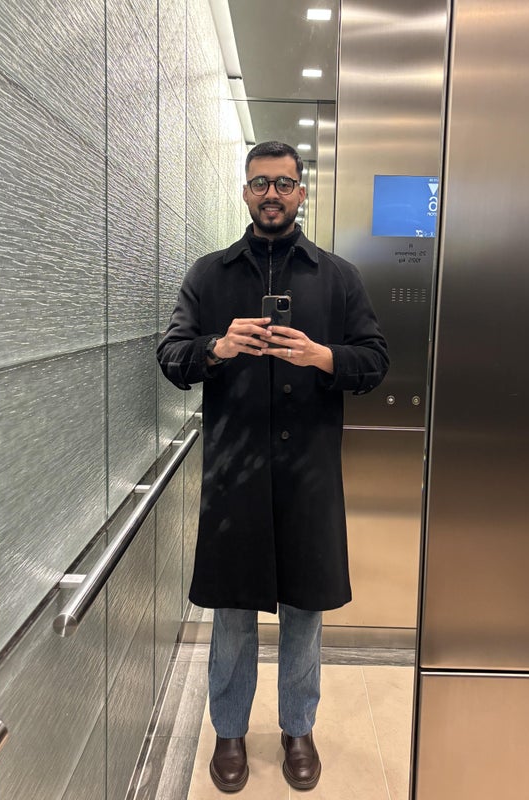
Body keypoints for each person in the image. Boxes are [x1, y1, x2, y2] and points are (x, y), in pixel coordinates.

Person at [157, 141, 389, 792]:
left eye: (284, 184)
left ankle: (298, 729)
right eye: (260, 183)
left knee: (304, 613)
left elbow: (375, 360)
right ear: (245, 193)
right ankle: (229, 730)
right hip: (233, 479)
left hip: (309, 477)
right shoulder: (209, 276)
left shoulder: (338, 278)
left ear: (301, 193)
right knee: (232, 614)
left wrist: (322, 357)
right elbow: (171, 355)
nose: (272, 195)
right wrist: (218, 346)